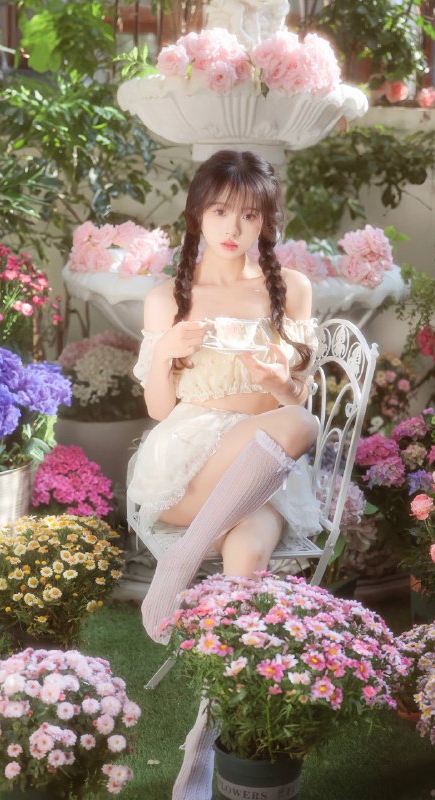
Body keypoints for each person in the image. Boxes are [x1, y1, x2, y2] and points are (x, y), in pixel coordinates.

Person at [127, 149, 321, 799]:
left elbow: (293, 395)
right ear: (197, 217)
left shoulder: (290, 289)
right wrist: (167, 352)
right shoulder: (167, 297)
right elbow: (159, 409)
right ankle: (185, 557)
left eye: (249, 214)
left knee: (247, 554)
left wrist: (277, 378)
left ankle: (211, 724)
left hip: (259, 474)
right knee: (300, 425)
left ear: (266, 221)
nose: (233, 227)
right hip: (189, 468)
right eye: (219, 212)